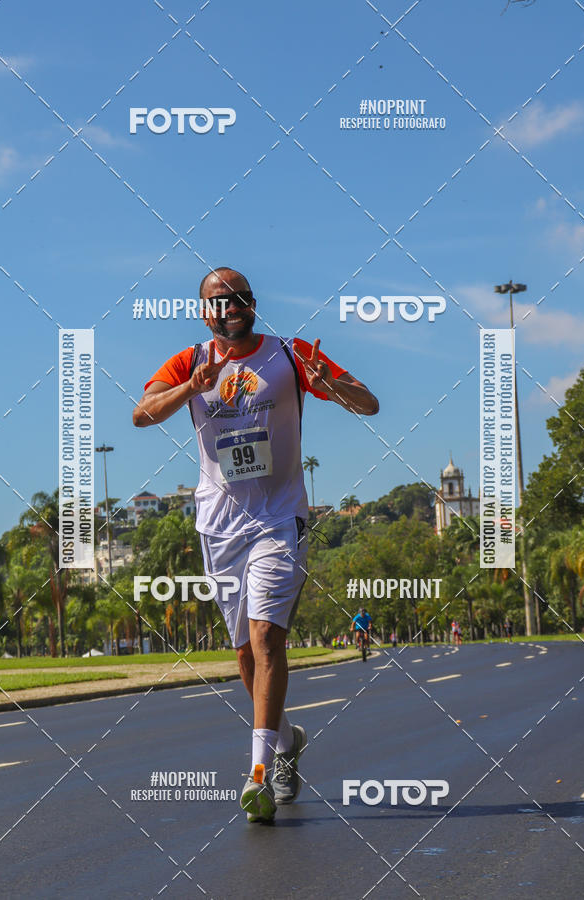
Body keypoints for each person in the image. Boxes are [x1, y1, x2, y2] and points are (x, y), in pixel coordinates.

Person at [133, 266, 379, 823]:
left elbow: (369, 404)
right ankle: (286, 740)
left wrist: (331, 383)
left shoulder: (290, 355)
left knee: (267, 638)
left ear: (253, 303)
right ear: (205, 313)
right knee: (245, 653)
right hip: (219, 524)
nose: (231, 307)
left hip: (279, 518)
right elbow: (142, 414)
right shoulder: (189, 361)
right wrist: (191, 388)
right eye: (219, 301)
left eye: (240, 297)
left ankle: (259, 774)